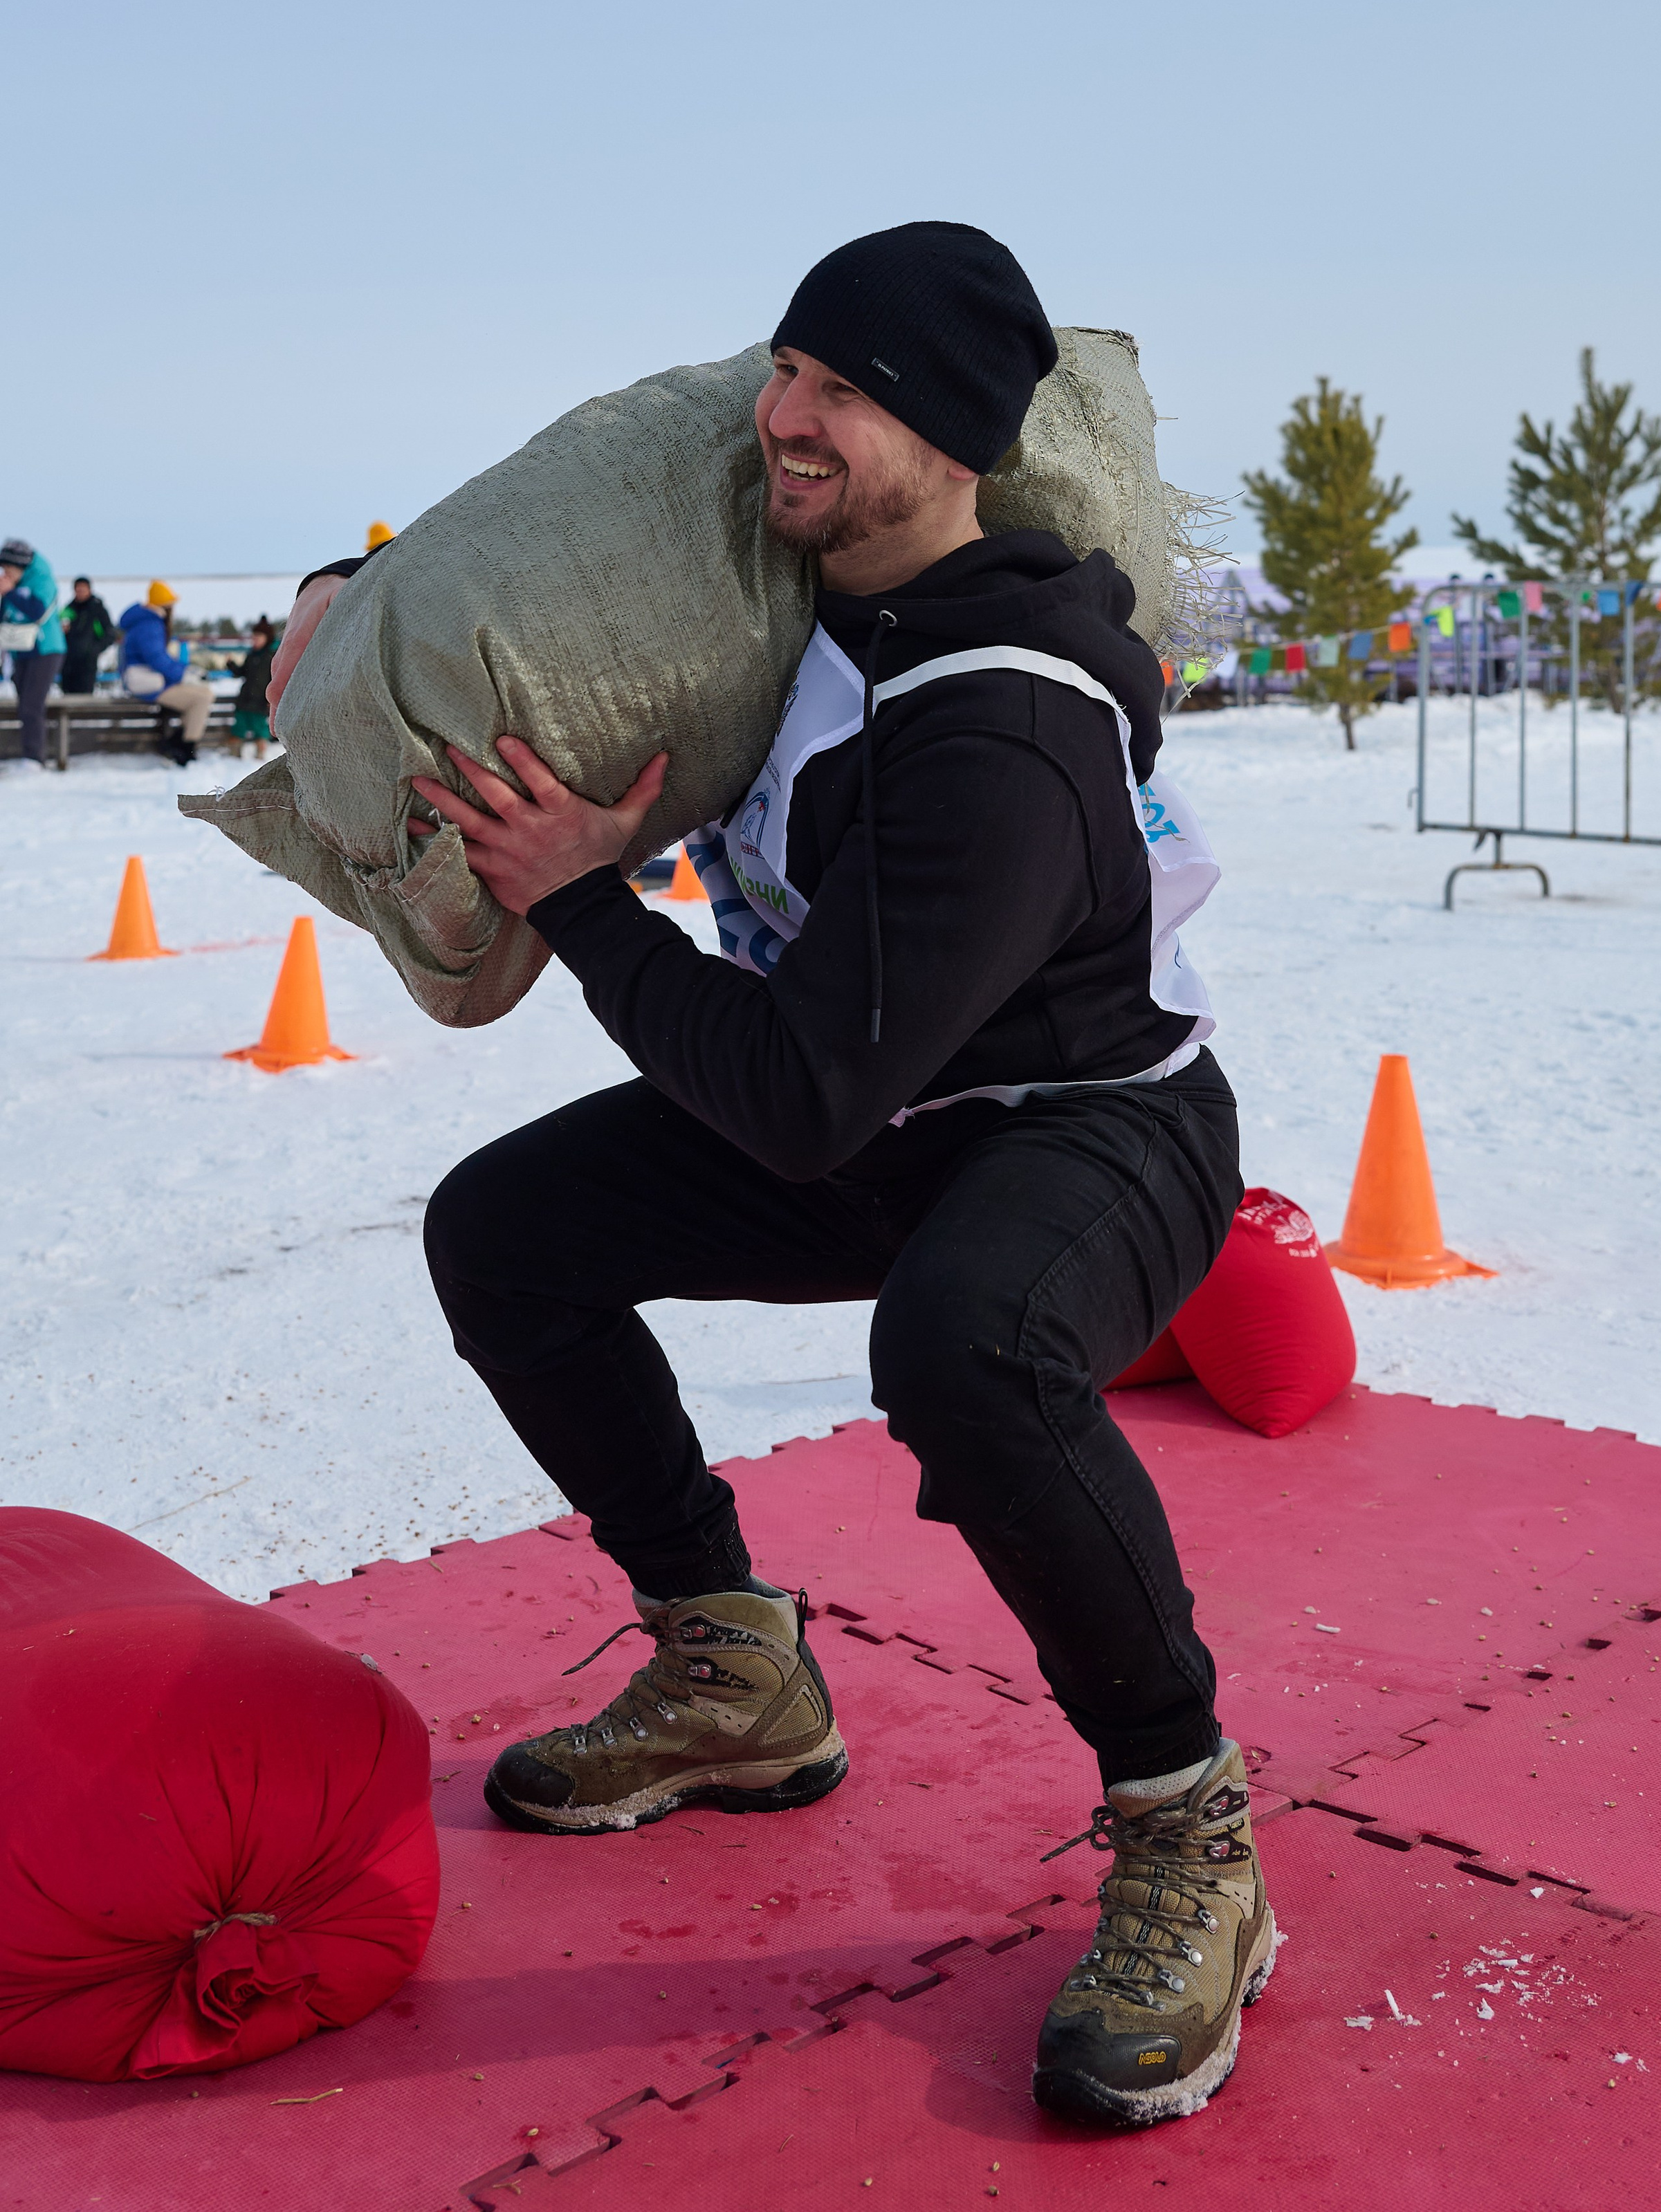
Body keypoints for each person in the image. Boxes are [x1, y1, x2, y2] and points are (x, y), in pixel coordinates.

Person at [281, 224, 1272, 2133]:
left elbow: (804, 1099)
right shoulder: (783, 585)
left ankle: (1188, 1831)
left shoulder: (1007, 710)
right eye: (790, 371)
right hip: (891, 1108)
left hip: (1090, 1129)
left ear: (957, 437)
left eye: (847, 393)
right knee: (509, 1234)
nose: (787, 420)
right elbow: (564, 583)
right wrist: (361, 600)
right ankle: (733, 1669)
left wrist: (576, 897)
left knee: (969, 1344)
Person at [116, 582, 214, 766]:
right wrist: (184, 675)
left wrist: (184, 672)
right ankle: (184, 748)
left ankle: (178, 743)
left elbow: (159, 658)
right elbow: (157, 659)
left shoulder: (144, 621)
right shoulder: (150, 625)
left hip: (149, 680)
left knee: (203, 695)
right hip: (149, 683)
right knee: (202, 698)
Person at [0, 539, 67, 772]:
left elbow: (37, 610)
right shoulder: (13, 583)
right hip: (20, 650)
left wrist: (10, 592)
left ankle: (34, 759)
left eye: (8, 569)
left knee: (32, 704)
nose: (5, 573)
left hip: (45, 649)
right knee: (23, 702)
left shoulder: (42, 579)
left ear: (20, 565)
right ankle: (31, 754)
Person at [229, 617, 277, 758]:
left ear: (267, 638)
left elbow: (275, 679)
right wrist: (231, 665)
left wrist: (271, 698)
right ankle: (234, 755)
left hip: (261, 701)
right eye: (253, 637)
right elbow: (242, 672)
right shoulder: (251, 655)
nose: (255, 640)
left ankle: (260, 756)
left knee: (260, 730)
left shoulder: (272, 657)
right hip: (245, 700)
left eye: (258, 637)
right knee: (239, 727)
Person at [57, 578, 115, 697]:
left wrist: (94, 650)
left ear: (89, 590)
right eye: (78, 589)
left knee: (85, 697)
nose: (81, 592)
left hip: (87, 663)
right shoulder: (68, 609)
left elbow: (110, 633)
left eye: (83, 589)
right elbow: (59, 631)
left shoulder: (98, 609)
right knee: (67, 698)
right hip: (69, 663)